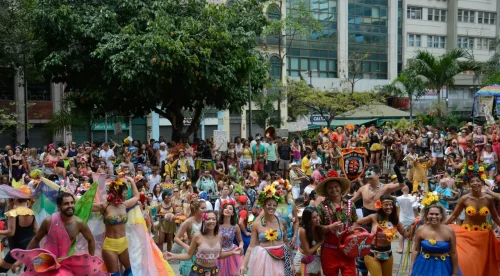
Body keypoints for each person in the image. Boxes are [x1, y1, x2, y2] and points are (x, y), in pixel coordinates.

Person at [11, 192, 100, 274]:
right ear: (59, 206)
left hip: (66, 263)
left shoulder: (79, 223)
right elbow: (36, 239)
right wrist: (21, 260)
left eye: (72, 203)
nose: (70, 206)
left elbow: (91, 240)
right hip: (46, 261)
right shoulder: (48, 221)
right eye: (66, 204)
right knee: (31, 272)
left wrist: (90, 261)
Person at [445, 164, 500, 276]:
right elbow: (454, 216)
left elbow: (494, 217)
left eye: (478, 181)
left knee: (482, 261)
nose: (475, 183)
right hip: (468, 235)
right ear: (469, 184)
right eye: (472, 181)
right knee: (469, 259)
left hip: (485, 236)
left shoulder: (488, 198)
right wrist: (439, 226)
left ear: (482, 183)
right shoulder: (464, 199)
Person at [164, 211, 239, 276]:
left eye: (214, 219)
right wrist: (173, 256)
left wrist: (232, 252)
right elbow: (188, 255)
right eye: (208, 219)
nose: (211, 221)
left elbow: (219, 255)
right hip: (197, 272)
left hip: (214, 272)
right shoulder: (197, 236)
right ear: (204, 220)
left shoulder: (219, 237)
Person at [241, 183, 293, 276]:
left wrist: (291, 263)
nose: (271, 207)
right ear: (263, 206)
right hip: (263, 261)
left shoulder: (282, 222)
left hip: (281, 260)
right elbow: (251, 247)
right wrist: (243, 265)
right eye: (269, 204)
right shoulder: (256, 224)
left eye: (274, 205)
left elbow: (286, 243)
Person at [92, 176, 140, 276]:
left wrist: (131, 181)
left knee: (130, 272)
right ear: (116, 193)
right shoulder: (104, 206)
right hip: (110, 246)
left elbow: (136, 196)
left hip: (123, 244)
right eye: (124, 193)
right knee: (115, 274)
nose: (126, 196)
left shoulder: (124, 205)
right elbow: (85, 205)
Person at [353, 195, 410, 276]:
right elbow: (357, 222)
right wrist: (356, 234)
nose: (389, 207)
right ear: (380, 205)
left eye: (390, 205)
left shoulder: (395, 220)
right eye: (386, 205)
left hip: (388, 254)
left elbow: (406, 234)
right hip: (372, 254)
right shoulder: (374, 217)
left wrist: (414, 227)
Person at [316, 170, 357, 276]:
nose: (334, 190)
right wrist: (329, 227)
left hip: (348, 248)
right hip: (330, 250)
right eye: (330, 187)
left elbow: (356, 221)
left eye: (336, 186)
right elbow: (317, 228)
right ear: (326, 190)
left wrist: (353, 228)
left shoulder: (350, 204)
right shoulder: (321, 207)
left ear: (340, 187)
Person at [410, 197, 460, 276]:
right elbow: (416, 250)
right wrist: (411, 269)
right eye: (431, 214)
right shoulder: (421, 229)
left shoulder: (449, 231)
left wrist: (454, 273)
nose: (434, 217)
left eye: (437, 214)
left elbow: (453, 253)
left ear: (441, 216)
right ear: (427, 215)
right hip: (423, 265)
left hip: (444, 266)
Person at [0, 189, 36, 273]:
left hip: (17, 248)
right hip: (30, 247)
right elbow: (36, 230)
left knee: (1, 270)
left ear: (15, 199)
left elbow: (11, 232)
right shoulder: (32, 212)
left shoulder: (13, 213)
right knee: (28, 271)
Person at [175, 199, 206, 276]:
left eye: (205, 208)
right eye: (202, 208)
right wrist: (186, 246)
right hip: (191, 253)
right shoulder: (188, 222)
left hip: (204, 253)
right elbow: (176, 238)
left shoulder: (206, 220)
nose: (205, 210)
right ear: (195, 209)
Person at [293, 206, 324, 276]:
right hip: (302, 259)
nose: (318, 219)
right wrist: (321, 242)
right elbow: (307, 251)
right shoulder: (303, 231)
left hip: (314, 257)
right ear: (309, 220)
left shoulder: (318, 228)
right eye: (314, 218)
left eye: (317, 215)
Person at [217, 199, 244, 276]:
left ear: (233, 213)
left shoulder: (235, 226)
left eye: (230, 209)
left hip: (232, 252)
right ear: (222, 210)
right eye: (226, 208)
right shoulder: (216, 225)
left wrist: (241, 246)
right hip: (219, 253)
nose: (227, 210)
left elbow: (240, 241)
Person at [396, 186, 416, 253]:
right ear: (408, 190)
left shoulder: (398, 198)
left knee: (400, 233)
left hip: (402, 218)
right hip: (411, 217)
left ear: (401, 190)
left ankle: (401, 248)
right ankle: (410, 248)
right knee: (411, 233)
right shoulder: (412, 198)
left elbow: (397, 207)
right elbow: (415, 208)